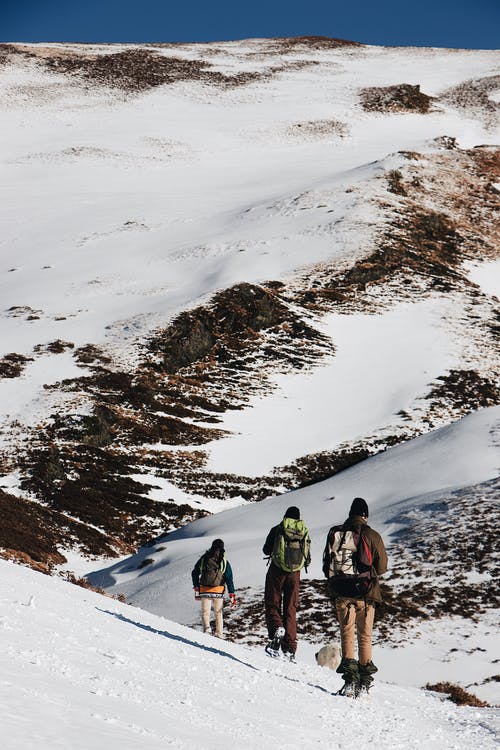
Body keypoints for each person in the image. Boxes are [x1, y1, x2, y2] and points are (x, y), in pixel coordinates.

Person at [322, 497, 388, 697]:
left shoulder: (336, 533)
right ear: (365, 515)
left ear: (350, 513)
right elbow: (382, 567)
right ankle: (364, 684)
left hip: (341, 591)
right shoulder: (371, 535)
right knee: (364, 637)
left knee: (347, 633)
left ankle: (350, 681)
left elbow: (327, 566)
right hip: (365, 594)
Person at [263, 506, 311, 662]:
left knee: (272, 602)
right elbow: (307, 556)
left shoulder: (278, 528)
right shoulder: (303, 531)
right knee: (291, 608)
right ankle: (290, 648)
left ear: (285, 516)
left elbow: (266, 550)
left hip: (277, 570)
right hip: (295, 574)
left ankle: (277, 631)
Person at [191, 538, 236, 638]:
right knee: (218, 613)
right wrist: (231, 593)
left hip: (205, 589)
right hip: (218, 591)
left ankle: (207, 629)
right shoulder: (224, 561)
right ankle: (219, 634)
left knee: (205, 612)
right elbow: (229, 578)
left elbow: (195, 573)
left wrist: (196, 587)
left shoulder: (204, 558)